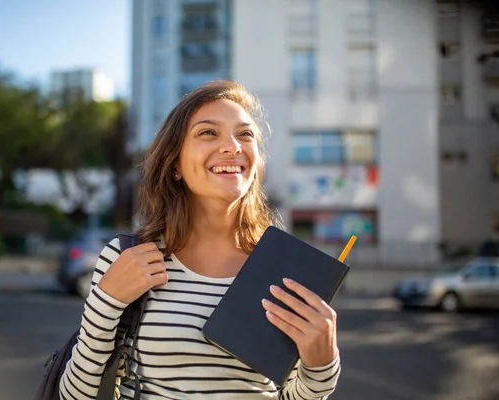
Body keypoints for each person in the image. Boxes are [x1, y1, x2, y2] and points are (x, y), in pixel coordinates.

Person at [59, 80, 341, 399]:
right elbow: (76, 396)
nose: (233, 146)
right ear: (175, 163)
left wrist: (321, 365)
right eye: (208, 132)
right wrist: (106, 302)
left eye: (245, 134)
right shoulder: (127, 257)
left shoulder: (283, 267)